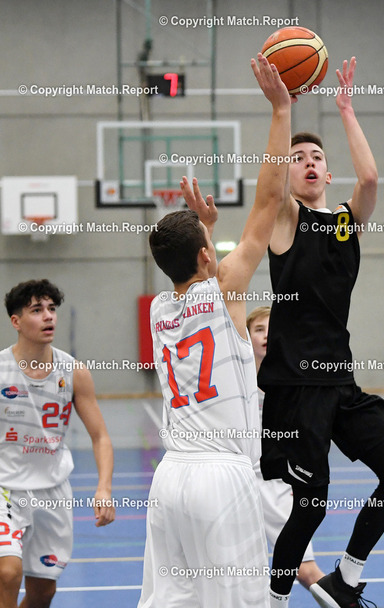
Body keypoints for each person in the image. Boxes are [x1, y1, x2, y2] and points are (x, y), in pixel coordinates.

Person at [257, 57, 384, 608]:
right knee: (311, 507)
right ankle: (275, 601)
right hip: (297, 387)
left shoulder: (346, 225)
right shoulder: (286, 221)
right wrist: (282, 112)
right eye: (297, 158)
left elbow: (369, 179)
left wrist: (346, 109)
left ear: (328, 175)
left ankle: (344, 579)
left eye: (316, 158)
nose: (307, 162)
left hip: (340, 382)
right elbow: (270, 187)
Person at [137, 53, 292, 608]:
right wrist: (281, 110)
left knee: (171, 601)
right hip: (221, 478)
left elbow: (199, 269)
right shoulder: (223, 289)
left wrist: (202, 230)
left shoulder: (160, 308)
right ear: (207, 256)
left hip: (169, 479)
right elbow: (270, 202)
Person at [0, 279, 115, 608]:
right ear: (16, 321)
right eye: (37, 310)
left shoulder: (74, 372)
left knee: (43, 594)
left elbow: (100, 436)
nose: (48, 316)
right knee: (8, 573)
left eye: (51, 309)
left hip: (52, 492)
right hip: (5, 488)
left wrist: (104, 488)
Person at [247, 306, 325, 591]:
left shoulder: (296, 380)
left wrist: (299, 478)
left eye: (273, 329)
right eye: (259, 330)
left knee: (304, 570)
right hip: (237, 482)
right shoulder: (236, 381)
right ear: (247, 337)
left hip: (276, 484)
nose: (266, 335)